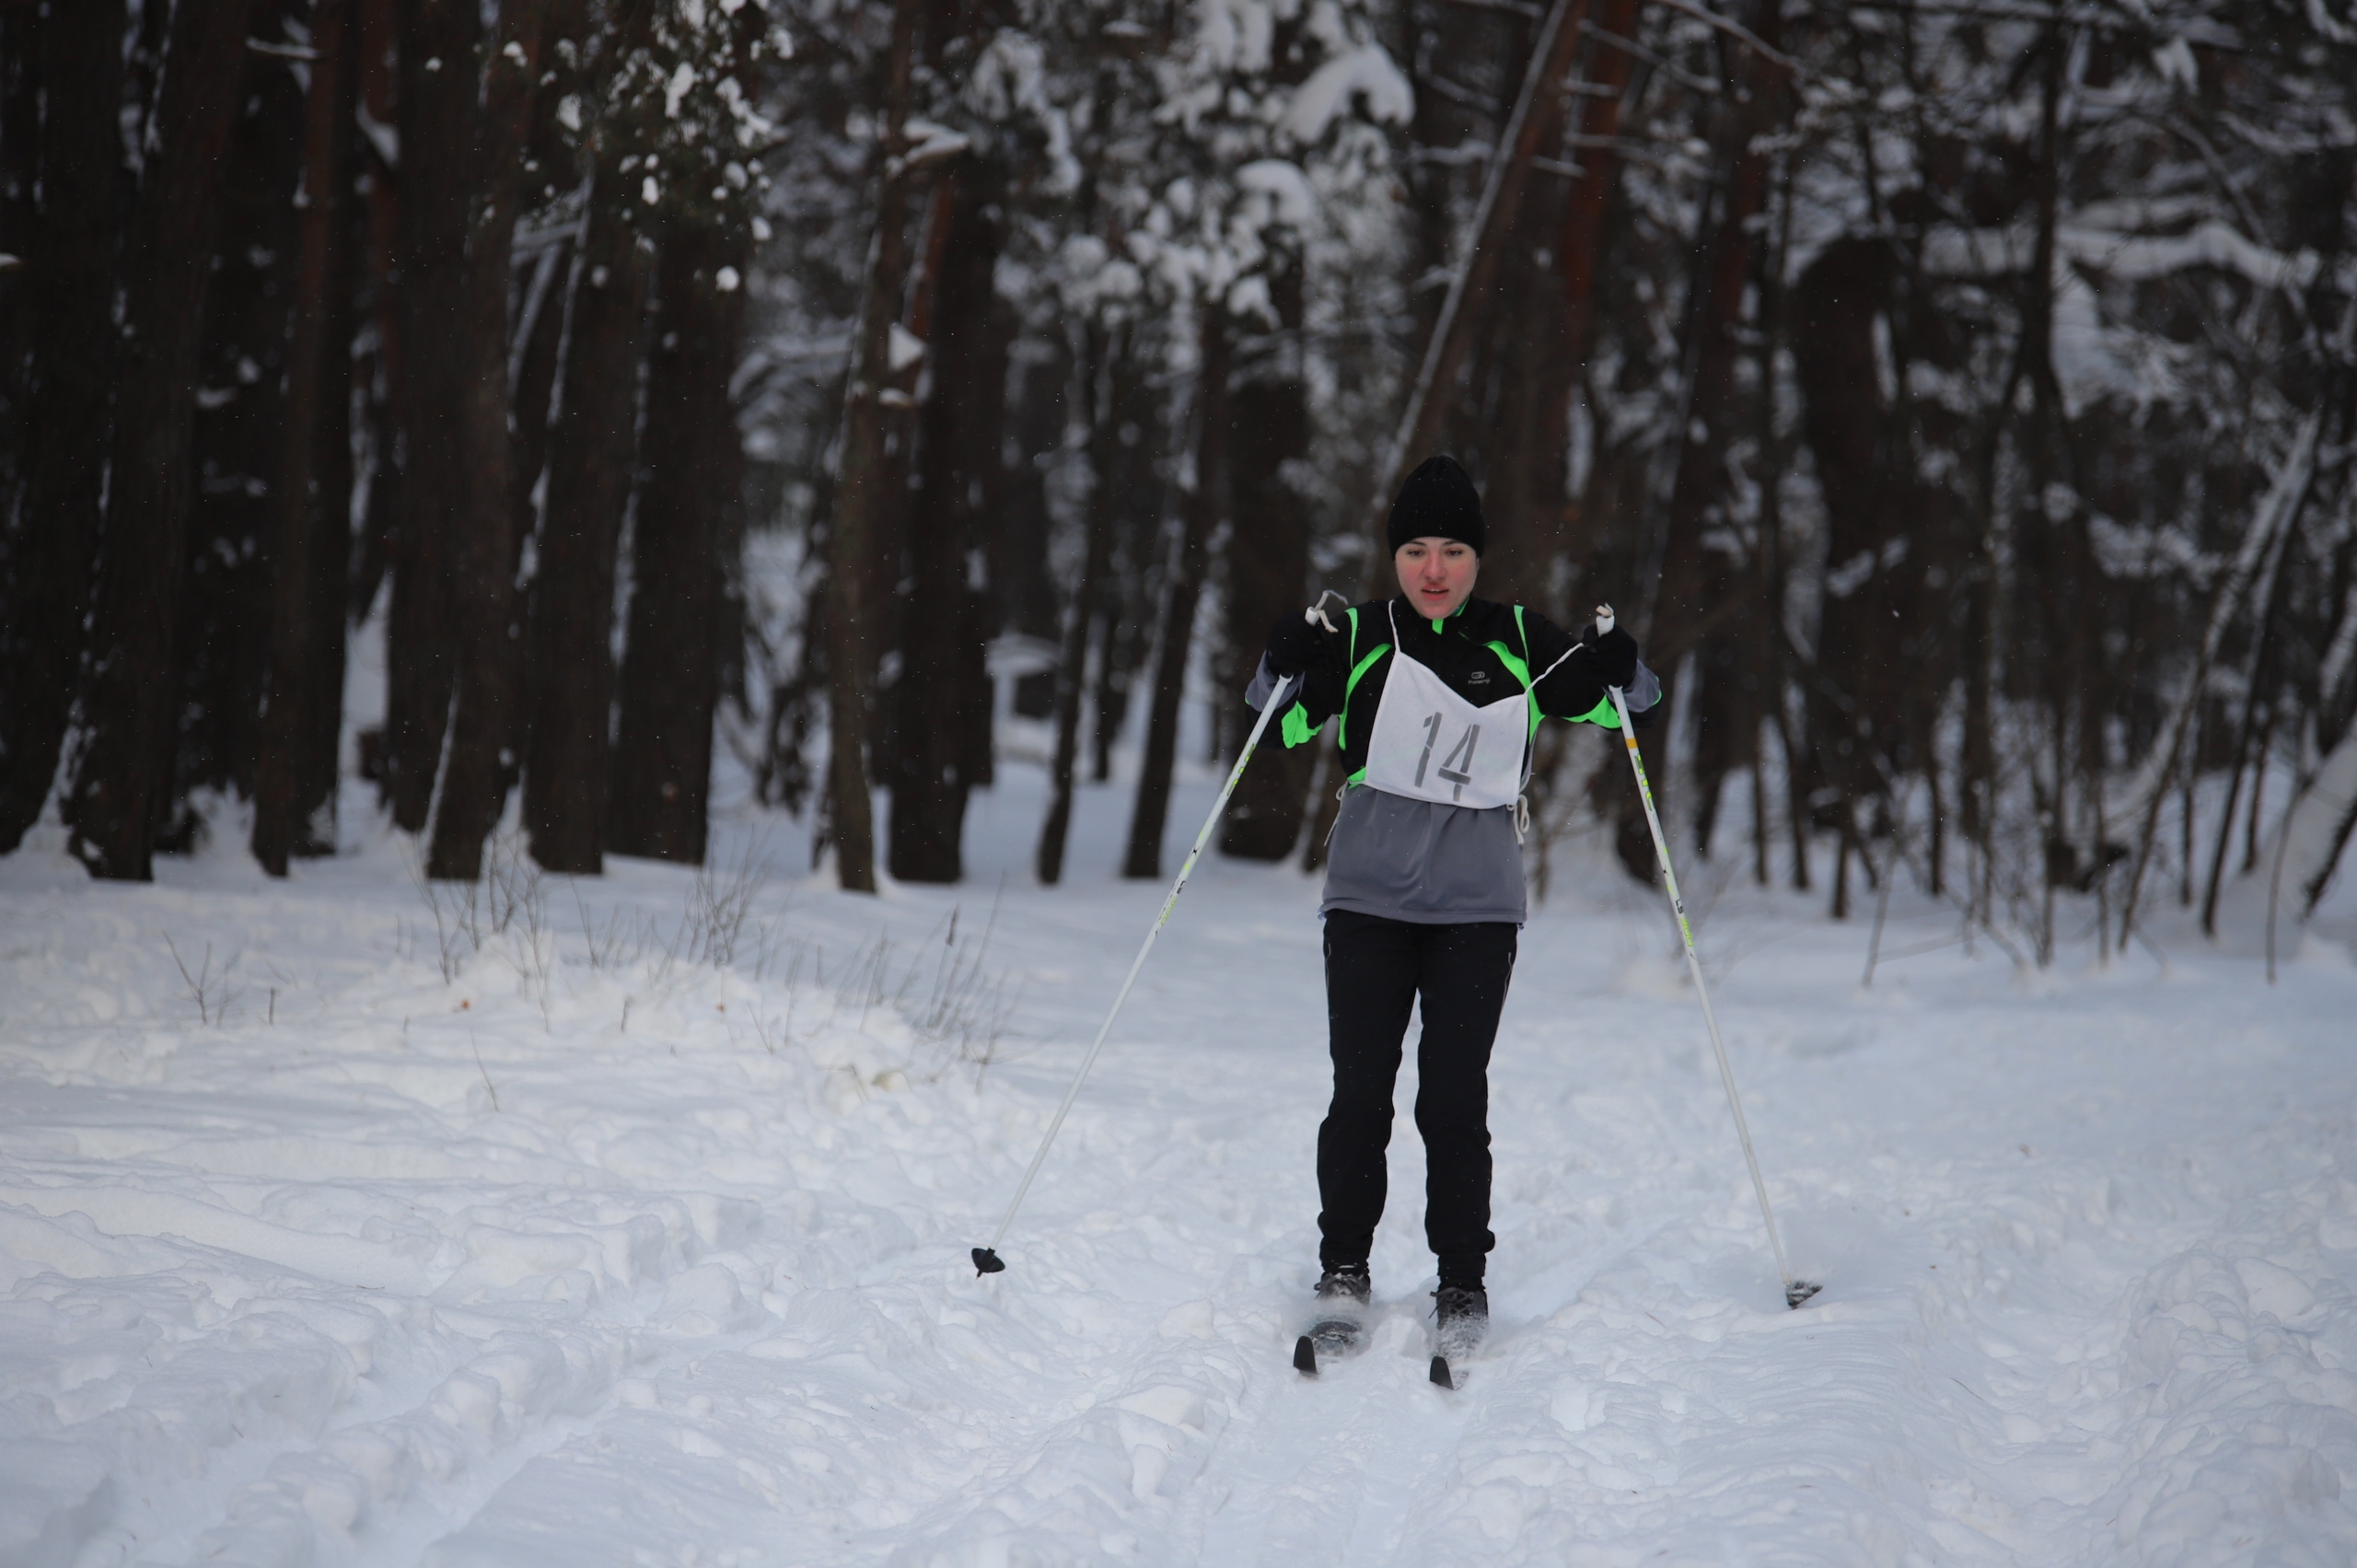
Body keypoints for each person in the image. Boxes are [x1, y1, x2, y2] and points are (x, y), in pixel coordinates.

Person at [1244, 453, 1661, 1362]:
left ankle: (1461, 1283)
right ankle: (1343, 1272)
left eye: (1454, 551)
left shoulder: (1515, 634)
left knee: (1451, 1094)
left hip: (1476, 906)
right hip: (1367, 900)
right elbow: (1278, 719)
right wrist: (1281, 660)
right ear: (1394, 556)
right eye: (1417, 550)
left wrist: (1622, 665)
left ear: (1477, 558)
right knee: (1359, 1091)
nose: (1434, 570)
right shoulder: (1358, 636)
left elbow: (1624, 705)